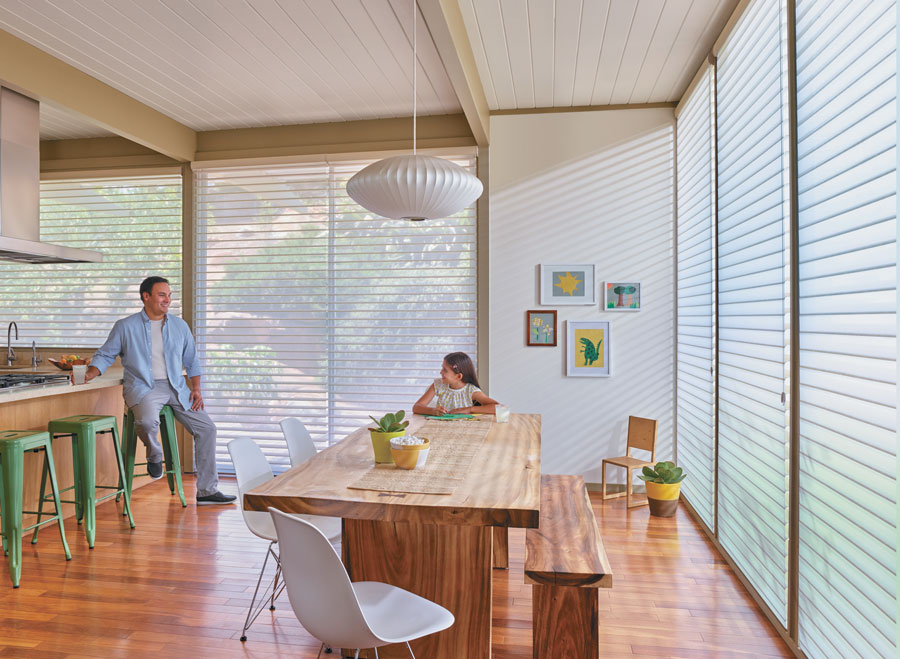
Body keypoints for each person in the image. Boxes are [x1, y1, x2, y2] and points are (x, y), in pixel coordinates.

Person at [83, 276, 236, 505]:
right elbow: (106, 354)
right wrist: (90, 373)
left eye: (169, 295)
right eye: (162, 295)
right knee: (146, 423)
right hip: (144, 386)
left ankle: (207, 491)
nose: (168, 300)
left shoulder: (179, 326)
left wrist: (196, 389)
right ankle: (155, 454)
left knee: (207, 429)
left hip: (176, 387)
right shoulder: (125, 326)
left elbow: (192, 360)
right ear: (146, 296)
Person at [413, 352, 500, 416]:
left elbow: (498, 407)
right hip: (440, 427)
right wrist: (432, 411)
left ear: (458, 376)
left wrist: (468, 409)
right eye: (442, 368)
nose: (440, 372)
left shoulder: (471, 391)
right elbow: (416, 407)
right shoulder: (438, 384)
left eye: (445, 370)